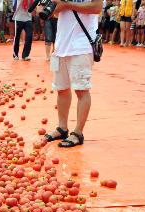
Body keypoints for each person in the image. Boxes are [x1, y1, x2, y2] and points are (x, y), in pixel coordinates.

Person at [43, 0, 103, 148]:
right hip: (61, 45)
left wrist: (68, 5)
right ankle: (62, 128)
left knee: (82, 90)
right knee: (61, 89)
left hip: (81, 46)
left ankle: (78, 133)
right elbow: (57, 14)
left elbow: (97, 8)